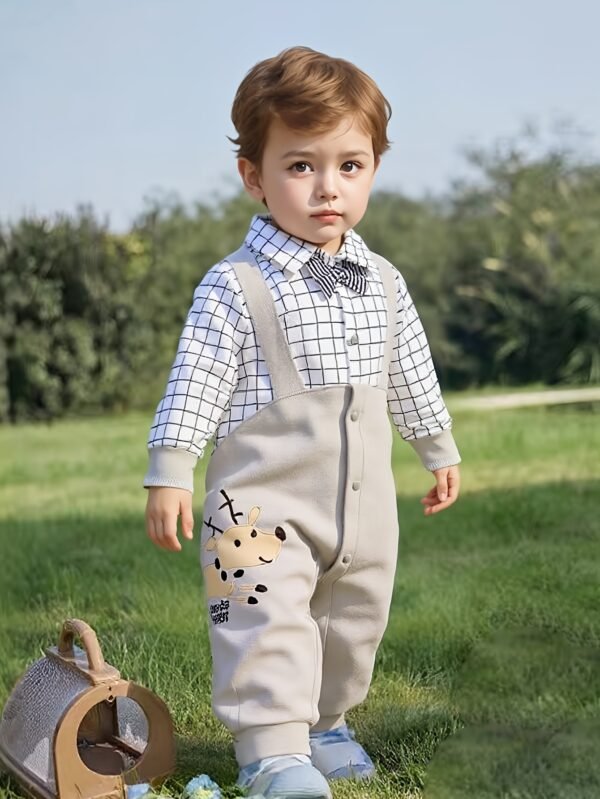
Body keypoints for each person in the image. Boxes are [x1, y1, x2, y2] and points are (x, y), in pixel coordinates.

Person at [144, 46, 461, 799]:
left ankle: (326, 726)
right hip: (259, 511)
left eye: (350, 166)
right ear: (253, 176)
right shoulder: (236, 285)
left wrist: (436, 445)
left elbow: (409, 371)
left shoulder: (383, 281)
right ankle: (271, 751)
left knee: (353, 620)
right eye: (300, 166)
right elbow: (196, 378)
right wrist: (171, 467)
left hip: (361, 510)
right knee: (265, 620)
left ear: (374, 168)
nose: (328, 188)